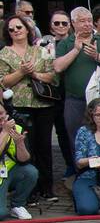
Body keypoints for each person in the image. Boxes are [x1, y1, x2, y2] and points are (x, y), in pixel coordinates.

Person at [53, 7, 100, 191]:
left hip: (99, 102)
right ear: (73, 23)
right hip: (75, 100)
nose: (88, 24)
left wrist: (97, 56)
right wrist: (76, 50)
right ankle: (83, 175)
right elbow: (57, 67)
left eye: (89, 20)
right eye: (82, 20)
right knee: (77, 138)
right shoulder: (66, 43)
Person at [0, 14, 58, 204]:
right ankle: (30, 191)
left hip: (43, 104)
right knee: (26, 145)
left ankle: (47, 188)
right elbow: (3, 82)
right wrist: (21, 72)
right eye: (11, 29)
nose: (16, 31)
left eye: (19, 27)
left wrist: (33, 73)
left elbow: (52, 76)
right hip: (18, 105)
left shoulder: (42, 50)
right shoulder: (4, 53)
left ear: (27, 29)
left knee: (44, 147)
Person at [0, 107, 38, 219]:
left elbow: (24, 159)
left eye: (1, 113)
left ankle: (17, 205)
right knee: (1, 214)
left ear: (6, 114)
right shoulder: (7, 129)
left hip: (7, 172)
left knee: (30, 172)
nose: (0, 116)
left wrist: (20, 143)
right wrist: (5, 132)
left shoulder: (17, 128)